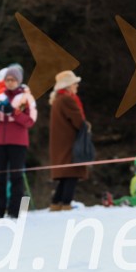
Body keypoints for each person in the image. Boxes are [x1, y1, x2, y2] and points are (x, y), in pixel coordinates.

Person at [0, 65, 36, 218]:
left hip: (18, 142)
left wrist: (13, 113)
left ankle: (15, 210)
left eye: (13, 80)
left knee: (16, 176)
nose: (10, 82)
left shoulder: (26, 97)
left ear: (19, 81)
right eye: (7, 79)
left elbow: (30, 121)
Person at [48, 70, 88, 211]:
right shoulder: (67, 99)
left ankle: (56, 202)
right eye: (75, 83)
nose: (76, 86)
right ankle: (66, 203)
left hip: (61, 143)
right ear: (68, 85)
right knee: (72, 173)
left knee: (66, 175)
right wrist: (86, 127)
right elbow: (78, 121)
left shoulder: (58, 100)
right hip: (69, 143)